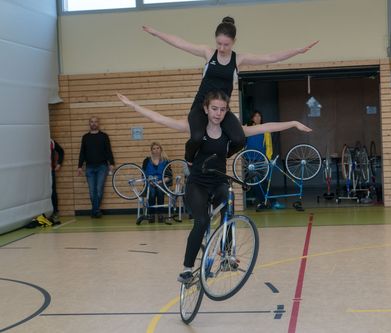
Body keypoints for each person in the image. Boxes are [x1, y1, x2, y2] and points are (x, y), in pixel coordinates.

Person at [116, 91, 312, 283]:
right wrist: (133, 105)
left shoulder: (230, 133)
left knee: (228, 208)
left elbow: (265, 127)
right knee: (201, 222)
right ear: (206, 109)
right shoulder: (194, 128)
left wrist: (293, 123)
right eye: (214, 109)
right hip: (197, 184)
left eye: (223, 110)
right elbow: (160, 119)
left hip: (218, 182)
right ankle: (187, 268)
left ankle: (227, 255)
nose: (218, 113)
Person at [143, 17, 318, 163]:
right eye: (219, 43)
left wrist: (297, 51)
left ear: (234, 42)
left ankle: (221, 156)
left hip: (222, 109)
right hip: (201, 106)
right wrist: (157, 33)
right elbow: (180, 43)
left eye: (226, 44)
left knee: (240, 139)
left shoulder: (239, 59)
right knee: (196, 136)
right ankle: (189, 158)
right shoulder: (208, 53)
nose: (221, 48)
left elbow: (270, 57)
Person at [77, 117, 115, 218]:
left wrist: (111, 163)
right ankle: (96, 210)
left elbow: (108, 151)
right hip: (89, 167)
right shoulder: (85, 137)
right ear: (89, 123)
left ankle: (95, 210)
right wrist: (79, 166)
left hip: (102, 166)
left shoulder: (104, 136)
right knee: (91, 190)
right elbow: (82, 152)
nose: (94, 123)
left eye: (95, 122)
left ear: (98, 123)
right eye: (92, 122)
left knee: (98, 189)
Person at [245, 110, 284, 210]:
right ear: (252, 118)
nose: (258, 118)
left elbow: (269, 146)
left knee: (265, 182)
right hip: (250, 161)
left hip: (262, 160)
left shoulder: (265, 129)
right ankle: (263, 202)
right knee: (254, 183)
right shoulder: (247, 128)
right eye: (255, 116)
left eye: (259, 116)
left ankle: (273, 202)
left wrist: (268, 159)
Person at [141, 142, 171, 224]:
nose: (156, 150)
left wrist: (160, 182)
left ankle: (160, 214)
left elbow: (169, 177)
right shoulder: (146, 161)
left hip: (162, 182)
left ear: (161, 149)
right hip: (149, 183)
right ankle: (151, 214)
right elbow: (143, 175)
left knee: (159, 190)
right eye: (154, 148)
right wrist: (150, 181)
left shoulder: (166, 161)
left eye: (158, 148)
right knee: (152, 191)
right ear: (151, 150)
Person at [50, 139, 64, 224]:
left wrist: (59, 164)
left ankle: (55, 211)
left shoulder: (51, 142)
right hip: (39, 171)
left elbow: (61, 151)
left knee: (52, 191)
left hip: (50, 170)